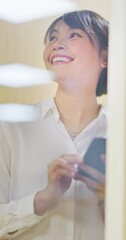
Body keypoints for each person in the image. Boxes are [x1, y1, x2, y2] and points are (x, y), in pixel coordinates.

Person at [0, 9, 109, 240]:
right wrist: (43, 198)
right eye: (53, 37)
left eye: (74, 35)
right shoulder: (11, 126)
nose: (57, 44)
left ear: (105, 58)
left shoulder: (120, 134)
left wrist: (112, 197)